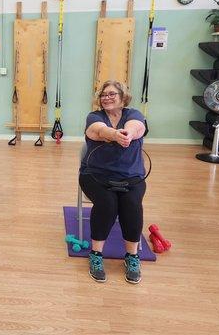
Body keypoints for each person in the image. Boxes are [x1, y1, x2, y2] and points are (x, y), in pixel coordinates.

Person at [79, 80, 147, 284]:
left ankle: (132, 257)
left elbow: (136, 127)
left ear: (123, 97)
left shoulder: (133, 114)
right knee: (107, 204)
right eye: (103, 95)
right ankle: (96, 255)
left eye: (111, 94)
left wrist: (128, 134)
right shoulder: (95, 116)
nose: (106, 98)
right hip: (95, 175)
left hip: (131, 176)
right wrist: (115, 135)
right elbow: (98, 131)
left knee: (132, 204)